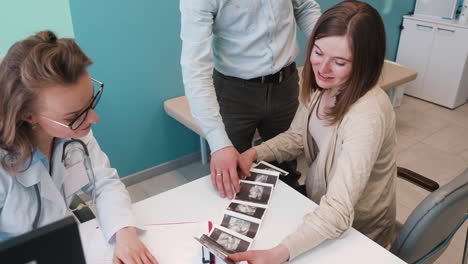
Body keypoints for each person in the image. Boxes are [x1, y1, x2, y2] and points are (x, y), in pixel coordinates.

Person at [230, 1, 397, 263]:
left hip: (358, 233)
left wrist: (278, 254)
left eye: (340, 62)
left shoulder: (367, 115)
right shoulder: (325, 86)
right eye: (318, 52)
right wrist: (253, 153)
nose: (323, 68)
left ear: (366, 63)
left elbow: (339, 213)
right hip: (318, 204)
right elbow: (298, 136)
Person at [0, 31, 158, 264]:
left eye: (91, 102)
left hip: (63, 241)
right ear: (28, 115)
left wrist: (124, 233)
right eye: (74, 116)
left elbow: (104, 182)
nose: (93, 119)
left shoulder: (73, 133)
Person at [180, 0, 321, 199]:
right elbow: (196, 70)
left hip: (285, 84)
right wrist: (218, 143)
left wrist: (330, 50)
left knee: (286, 171)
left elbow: (305, 8)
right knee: (232, 180)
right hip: (234, 94)